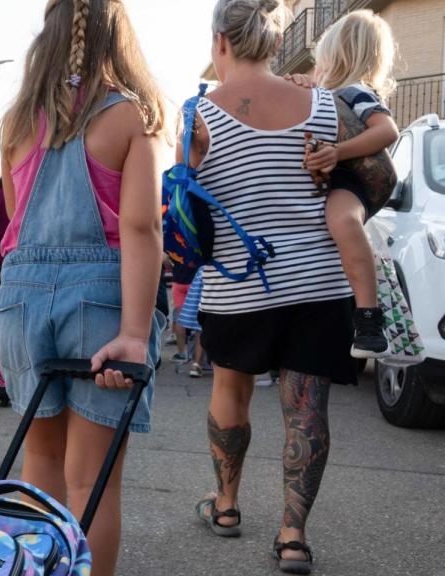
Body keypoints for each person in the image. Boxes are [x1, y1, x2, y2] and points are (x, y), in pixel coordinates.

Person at [0, 1, 167, 573]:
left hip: (21, 302)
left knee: (39, 464)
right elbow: (142, 228)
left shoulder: (17, 124)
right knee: (92, 480)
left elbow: (20, 227)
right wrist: (135, 334)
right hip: (100, 300)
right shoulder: (127, 118)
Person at [189, 2, 357, 573]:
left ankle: (228, 506)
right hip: (317, 282)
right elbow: (378, 176)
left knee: (230, 392)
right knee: (305, 409)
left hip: (237, 287)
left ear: (220, 43)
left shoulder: (198, 117)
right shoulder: (326, 104)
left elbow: (183, 211)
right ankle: (292, 536)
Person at [288, 10, 399, 359]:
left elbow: (387, 131)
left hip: (351, 178)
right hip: (329, 176)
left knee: (343, 220)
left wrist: (338, 152)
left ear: (337, 52)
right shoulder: (325, 92)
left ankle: (368, 318)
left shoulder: (357, 91)